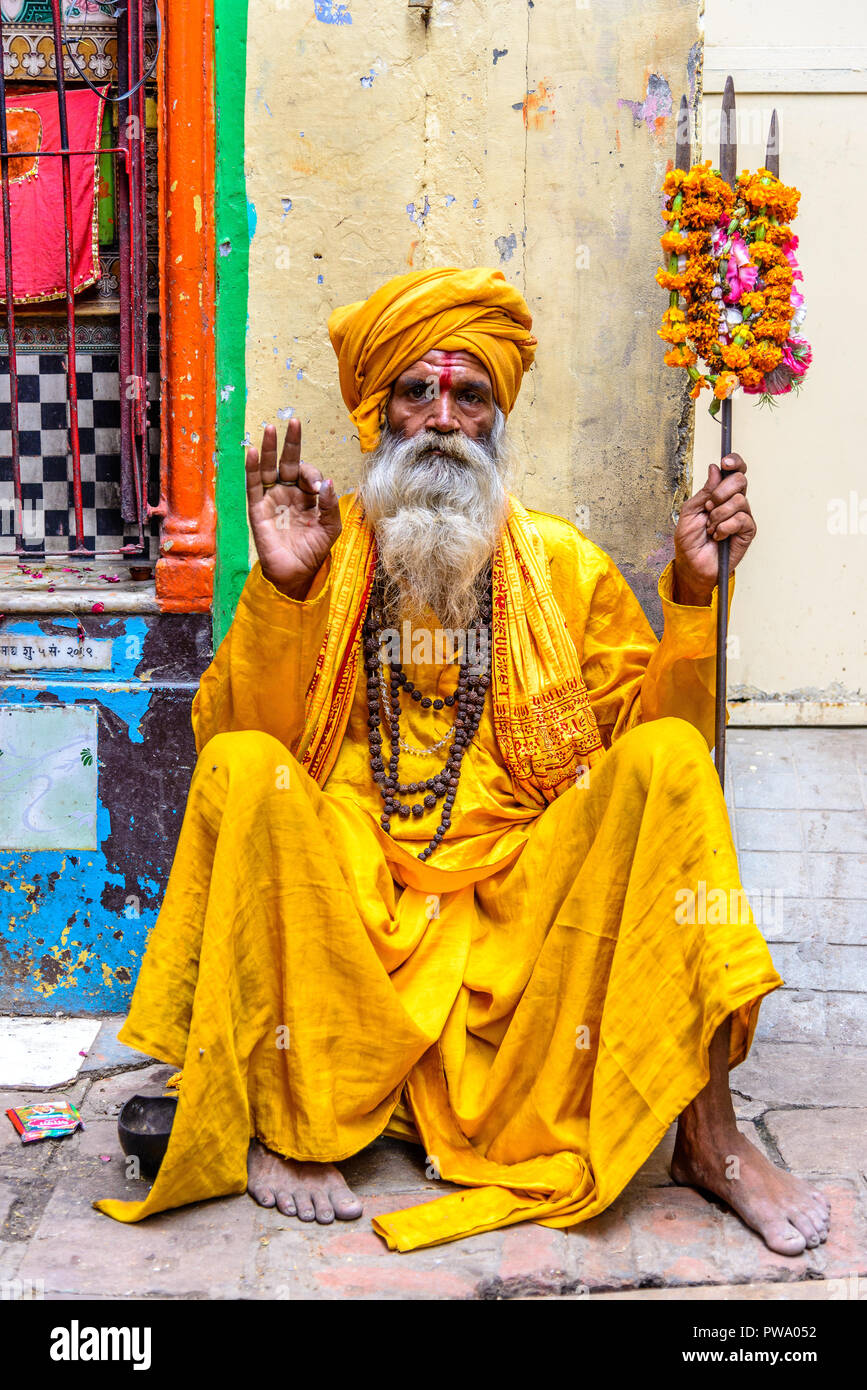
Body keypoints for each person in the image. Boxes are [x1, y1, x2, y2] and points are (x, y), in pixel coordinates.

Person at [95, 267, 830, 1256]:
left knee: (666, 760)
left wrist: (693, 603)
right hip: (350, 919)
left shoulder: (565, 566)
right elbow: (231, 736)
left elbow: (651, 765)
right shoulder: (322, 552)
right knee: (241, 768)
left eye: (469, 393)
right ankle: (287, 1112)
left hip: (520, 919)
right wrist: (280, 596)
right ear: (378, 413)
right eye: (417, 390)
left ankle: (711, 1131)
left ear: (497, 418)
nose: (442, 417)